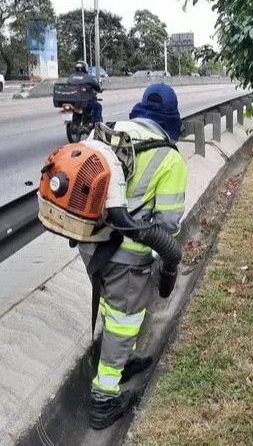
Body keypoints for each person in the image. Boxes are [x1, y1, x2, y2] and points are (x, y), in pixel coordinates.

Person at [78, 83, 187, 430]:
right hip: (127, 255)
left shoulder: (110, 132)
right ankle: (104, 398)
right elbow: (167, 223)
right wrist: (160, 259)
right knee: (125, 321)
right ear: (171, 119)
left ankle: (119, 362)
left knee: (112, 305)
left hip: (90, 243)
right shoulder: (168, 157)